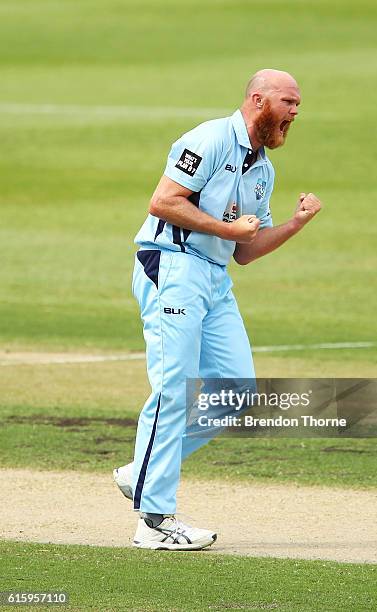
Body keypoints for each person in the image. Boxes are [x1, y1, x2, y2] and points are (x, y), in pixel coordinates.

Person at [113, 69, 322, 550]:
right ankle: (154, 523)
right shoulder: (207, 140)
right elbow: (164, 202)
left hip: (213, 277)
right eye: (288, 102)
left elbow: (247, 250)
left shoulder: (263, 169)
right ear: (258, 99)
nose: (294, 112)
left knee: (236, 390)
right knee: (173, 390)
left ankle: (141, 469)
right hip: (173, 267)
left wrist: (296, 222)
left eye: (298, 105)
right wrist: (227, 232)